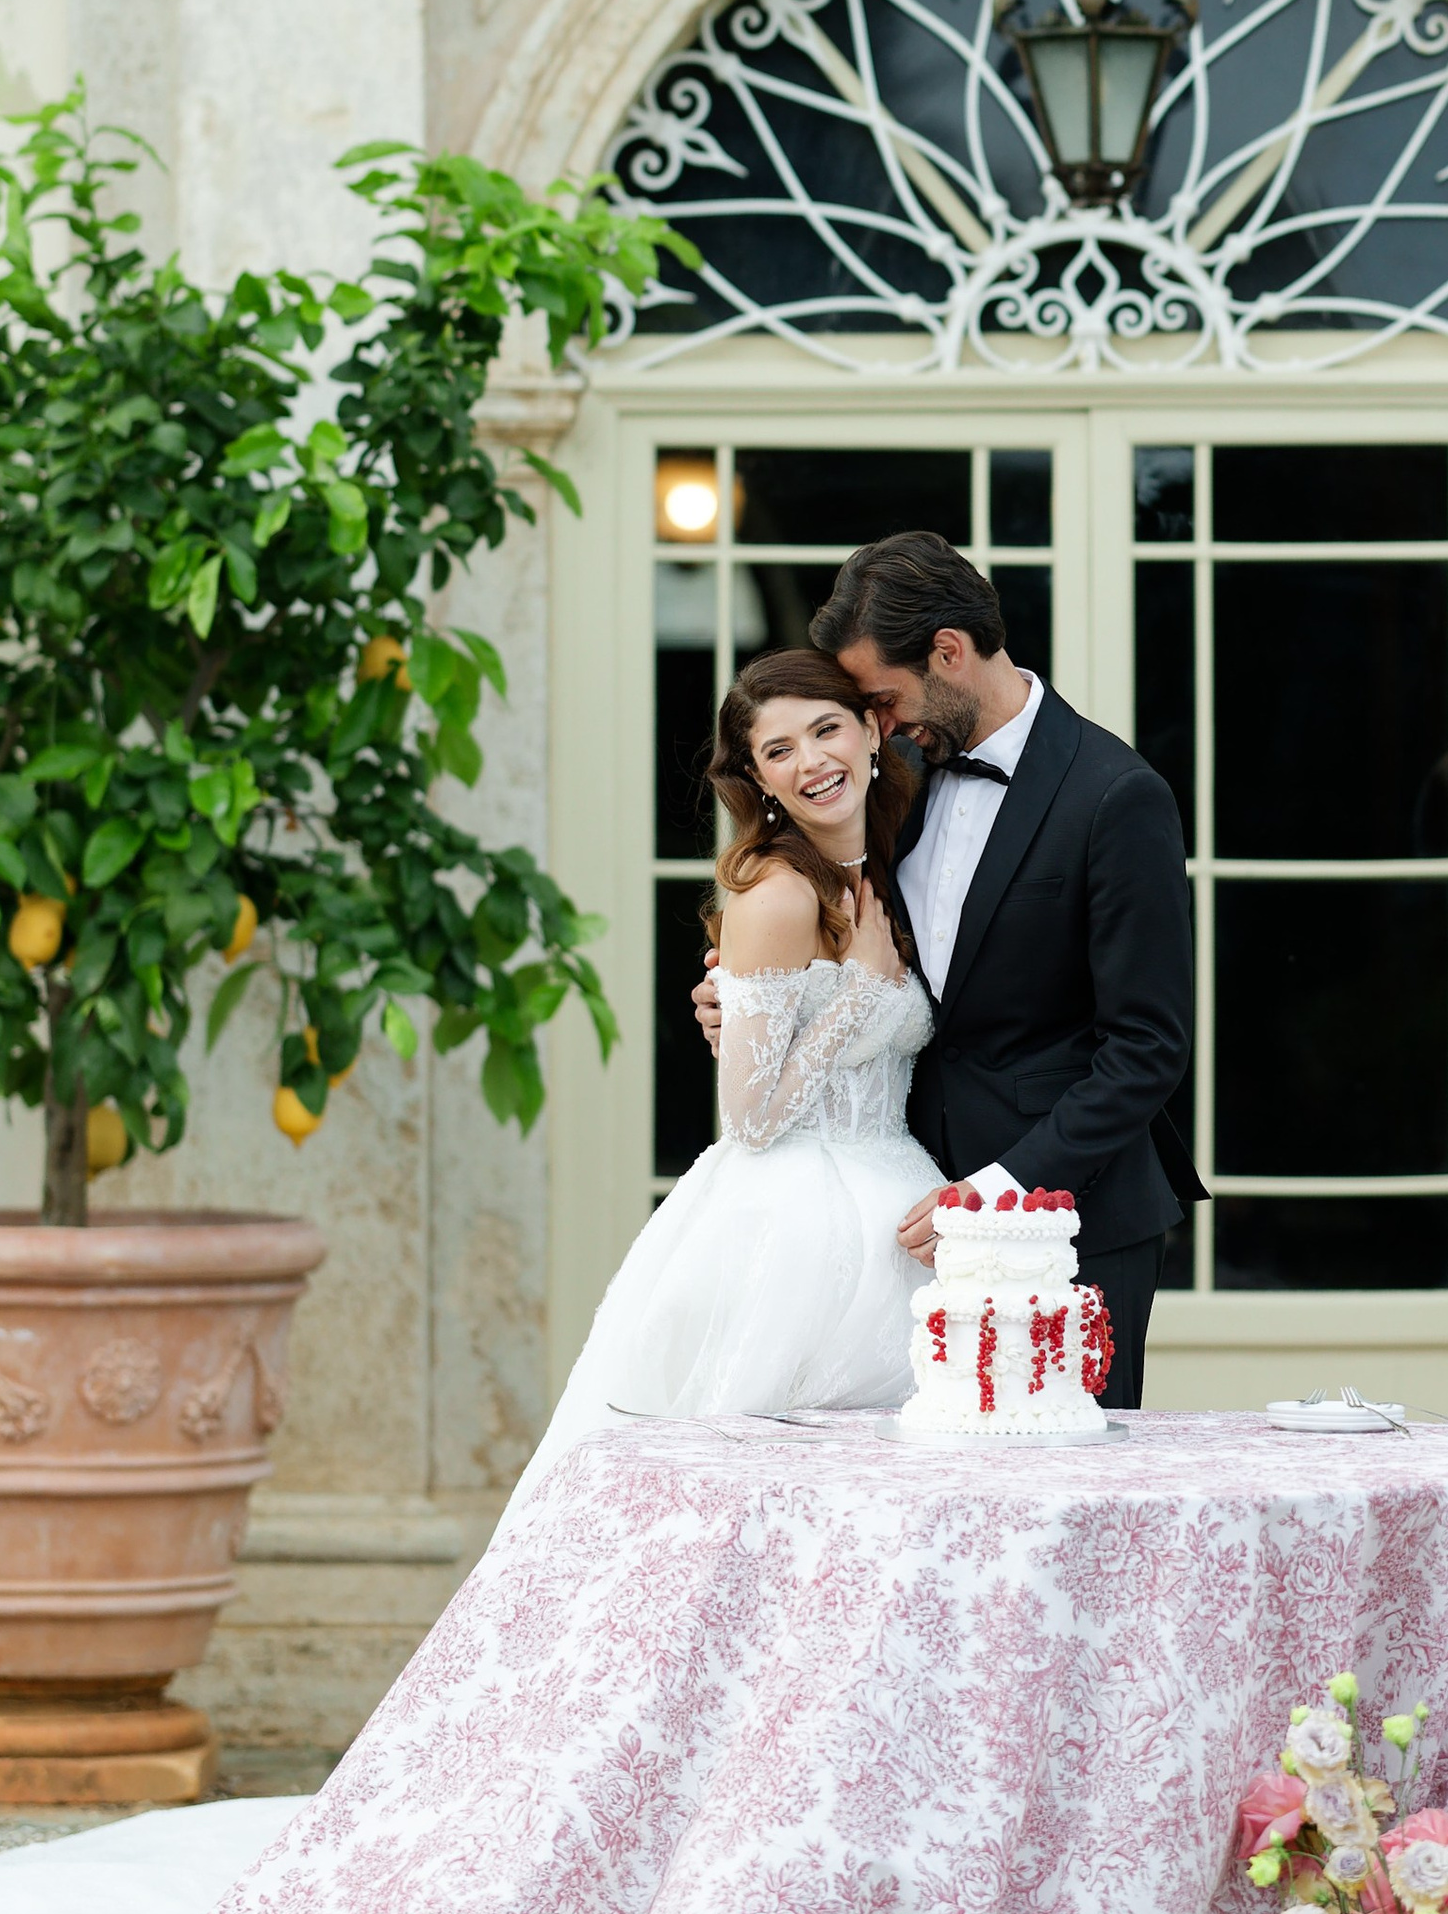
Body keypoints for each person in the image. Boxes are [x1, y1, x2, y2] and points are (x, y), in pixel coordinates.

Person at [706, 532, 1202, 1412]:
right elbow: (844, 954)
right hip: (897, 1221)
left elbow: (1146, 1048)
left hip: (1069, 1221)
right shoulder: (891, 777)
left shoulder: (1116, 795)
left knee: (1062, 1477)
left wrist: (999, 1193)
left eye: (882, 699)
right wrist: (749, 1004)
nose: (878, 724)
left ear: (947, 652)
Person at [515, 648, 940, 1477]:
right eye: (779, 750)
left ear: (870, 732)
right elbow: (750, 1119)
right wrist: (857, 993)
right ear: (758, 779)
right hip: (795, 1225)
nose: (811, 761)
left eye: (825, 730)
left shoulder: (892, 874)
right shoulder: (777, 894)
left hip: (899, 1205)